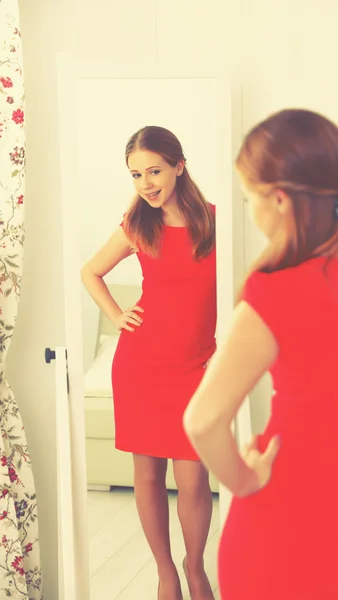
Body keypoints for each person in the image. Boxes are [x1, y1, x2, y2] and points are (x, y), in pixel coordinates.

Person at [183, 108, 338, 600]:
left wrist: (244, 480)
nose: (251, 210)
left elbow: (203, 420)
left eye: (249, 197)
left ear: (279, 198)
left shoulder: (279, 292)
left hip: (292, 512)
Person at [81, 125, 217, 600]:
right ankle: (165, 572)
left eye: (154, 170)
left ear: (179, 165)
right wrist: (117, 315)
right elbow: (90, 270)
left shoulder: (216, 223)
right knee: (147, 473)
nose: (146, 183)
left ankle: (195, 567)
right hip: (141, 363)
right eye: (136, 174)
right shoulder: (138, 225)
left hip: (197, 367)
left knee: (195, 475)